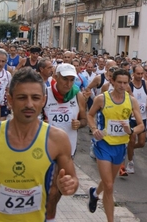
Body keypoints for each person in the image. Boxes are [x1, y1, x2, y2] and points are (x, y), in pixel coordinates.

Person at [0, 68, 79, 221]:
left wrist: (69, 185)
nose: (29, 104)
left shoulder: (57, 139)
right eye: (22, 97)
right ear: (10, 100)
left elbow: (73, 179)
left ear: (43, 100)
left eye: (35, 98)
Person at [86, 68, 144, 222]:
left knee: (108, 182)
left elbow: (141, 126)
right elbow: (90, 115)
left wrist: (130, 129)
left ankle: (94, 193)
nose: (122, 85)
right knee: (110, 186)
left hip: (120, 146)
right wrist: (94, 129)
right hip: (103, 144)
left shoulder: (131, 101)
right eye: (119, 82)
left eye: (125, 83)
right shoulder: (102, 99)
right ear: (112, 81)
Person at [42, 63, 87, 221]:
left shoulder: (77, 95)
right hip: (45, 150)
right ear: (55, 77)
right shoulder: (45, 94)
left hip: (68, 151)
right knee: (49, 189)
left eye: (71, 80)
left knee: (55, 190)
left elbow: (84, 119)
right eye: (65, 79)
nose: (68, 84)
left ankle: (48, 217)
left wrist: (79, 124)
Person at [126, 65, 147, 174]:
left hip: (143, 117)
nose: (140, 76)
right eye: (138, 74)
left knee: (141, 143)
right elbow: (127, 99)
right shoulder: (128, 86)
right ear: (133, 73)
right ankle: (130, 162)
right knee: (132, 139)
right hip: (131, 118)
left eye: (142, 73)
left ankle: (129, 149)